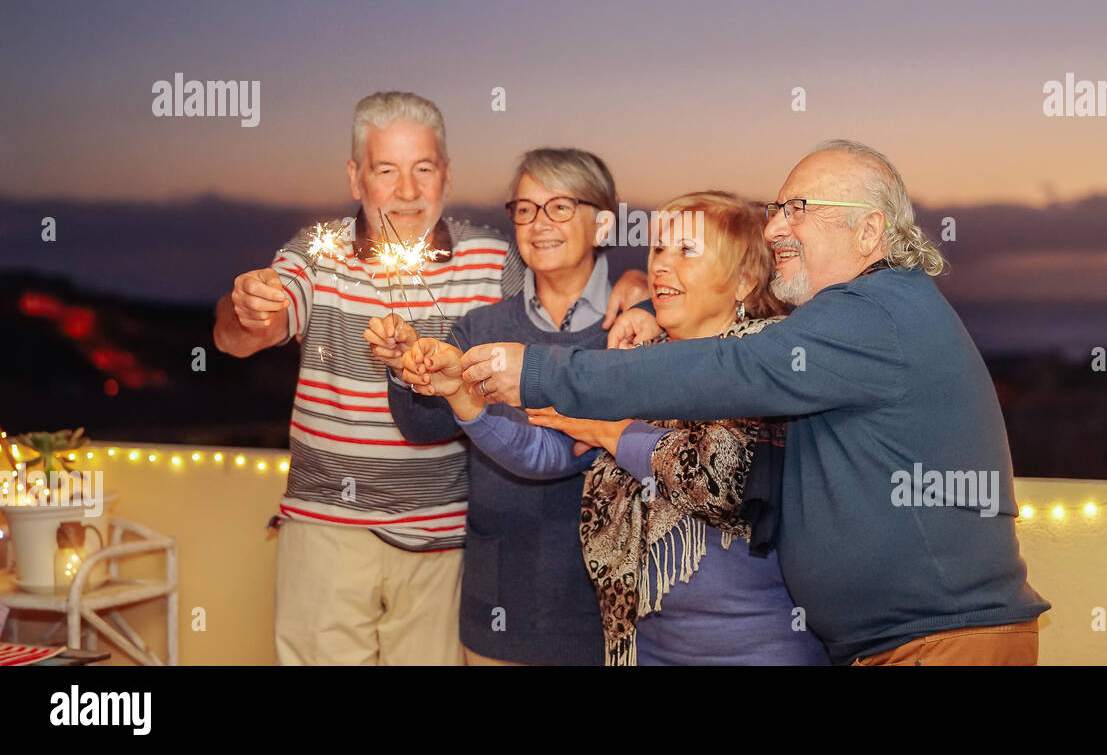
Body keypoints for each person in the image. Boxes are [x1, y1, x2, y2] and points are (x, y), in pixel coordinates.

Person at [458, 140, 1051, 666]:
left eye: (799, 210)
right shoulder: (855, 319)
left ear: (870, 231)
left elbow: (731, 368)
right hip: (906, 642)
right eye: (776, 210)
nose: (773, 230)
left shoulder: (870, 313)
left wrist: (538, 370)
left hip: (939, 642)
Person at [212, 92, 649, 665]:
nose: (407, 191)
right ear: (356, 178)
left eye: (423, 169)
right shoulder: (316, 257)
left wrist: (637, 284)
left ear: (445, 174)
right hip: (328, 533)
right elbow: (239, 335)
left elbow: (568, 273)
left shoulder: (495, 260)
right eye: (386, 170)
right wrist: (248, 309)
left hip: (444, 545)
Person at [405, 192, 829, 665]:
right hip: (641, 650)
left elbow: (718, 479)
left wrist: (610, 430)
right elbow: (542, 448)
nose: (662, 266)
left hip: (759, 650)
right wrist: (459, 393)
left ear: (745, 281)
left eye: (687, 250)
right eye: (658, 250)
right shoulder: (631, 364)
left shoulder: (769, 366)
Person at [378, 148, 618, 665]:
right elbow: (422, 428)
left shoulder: (632, 327)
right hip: (500, 607)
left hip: (607, 614)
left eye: (560, 207)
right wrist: (406, 370)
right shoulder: (479, 326)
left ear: (603, 225)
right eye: (525, 209)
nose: (538, 223)